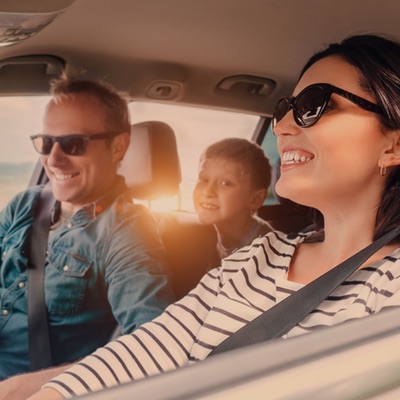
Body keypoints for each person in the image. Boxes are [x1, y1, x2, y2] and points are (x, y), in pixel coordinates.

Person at [6, 32, 400, 400]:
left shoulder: (388, 288)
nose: (281, 126)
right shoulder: (259, 256)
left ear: (393, 144)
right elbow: (149, 349)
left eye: (314, 106)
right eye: (285, 109)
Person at [0, 76, 175, 380]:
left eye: (73, 144)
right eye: (46, 142)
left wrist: (28, 388)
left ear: (119, 147)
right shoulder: (24, 204)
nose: (53, 159)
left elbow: (152, 344)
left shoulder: (127, 232)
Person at [193, 138, 273, 265]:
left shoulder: (265, 252)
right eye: (204, 179)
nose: (208, 192)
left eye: (225, 183)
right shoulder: (207, 236)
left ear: (255, 199)